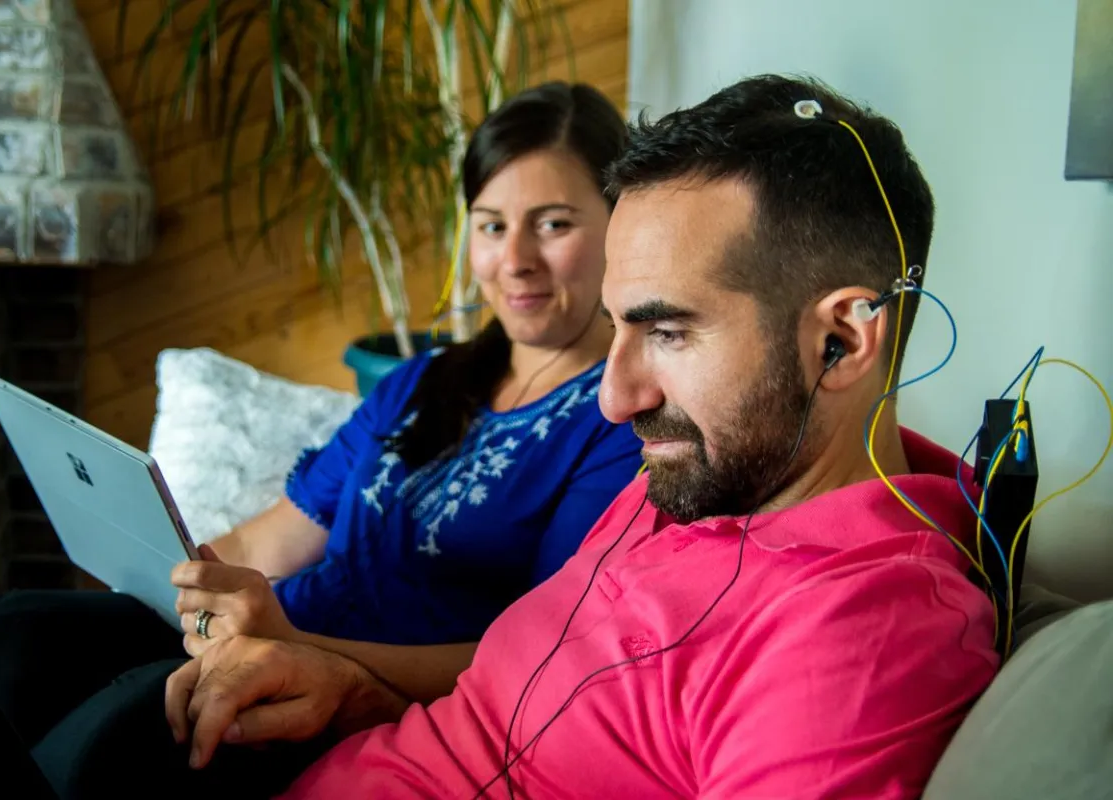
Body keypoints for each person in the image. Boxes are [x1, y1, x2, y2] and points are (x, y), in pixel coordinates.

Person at [153, 74, 1004, 799]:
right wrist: (350, 694)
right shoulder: (699, 481)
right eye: (617, 328)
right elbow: (508, 727)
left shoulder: (854, 635)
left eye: (667, 333)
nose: (611, 399)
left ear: (842, 342)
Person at [0, 81, 643, 793]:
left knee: (119, 740)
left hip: (338, 685)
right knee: (3, 636)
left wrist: (292, 643)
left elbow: (540, 653)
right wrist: (188, 574)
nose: (516, 258)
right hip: (278, 639)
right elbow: (269, 542)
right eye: (492, 225)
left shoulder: (619, 422)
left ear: (620, 223)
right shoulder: (422, 383)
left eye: (554, 224)